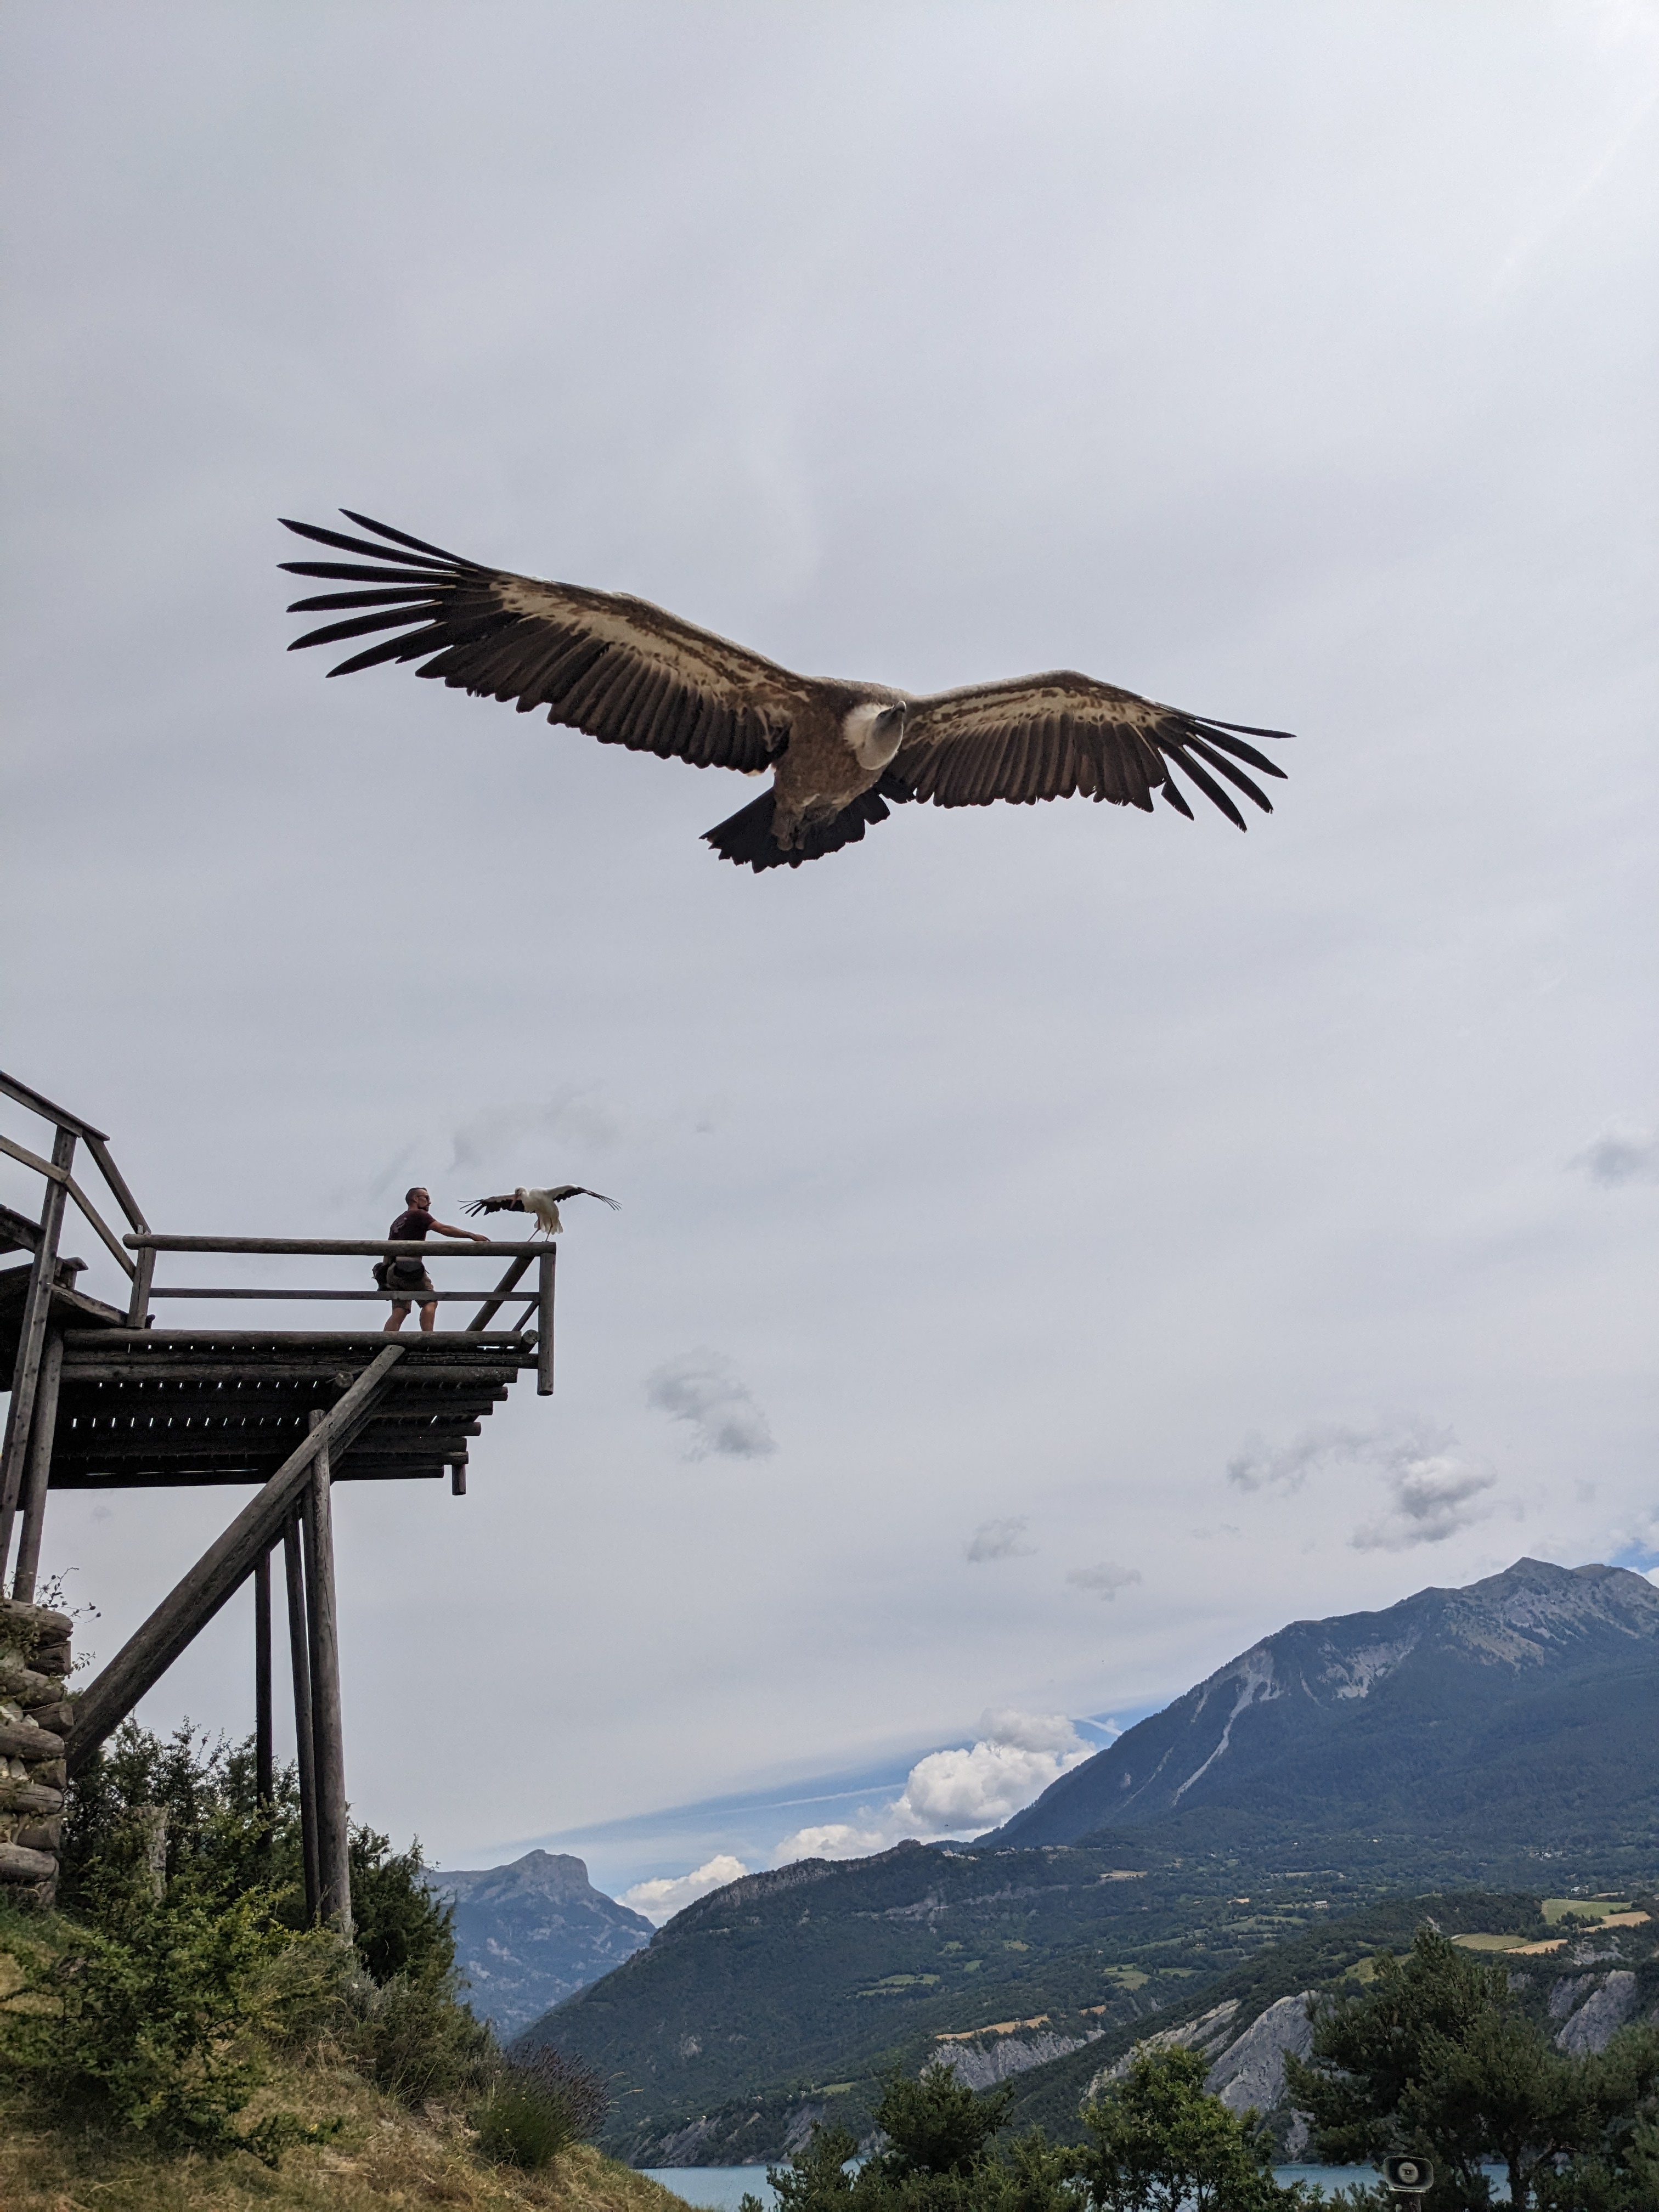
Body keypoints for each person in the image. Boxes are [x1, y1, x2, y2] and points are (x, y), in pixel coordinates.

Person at [380, 1186, 489, 1333]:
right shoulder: (419, 1215)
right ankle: (427, 1339)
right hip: (410, 1267)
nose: (429, 1202)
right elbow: (443, 1229)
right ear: (415, 1199)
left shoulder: (398, 1221)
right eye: (426, 1198)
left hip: (393, 1271)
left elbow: (387, 1251)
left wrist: (385, 1277)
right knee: (430, 1301)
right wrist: (471, 1236)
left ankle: (386, 1340)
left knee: (400, 1309)